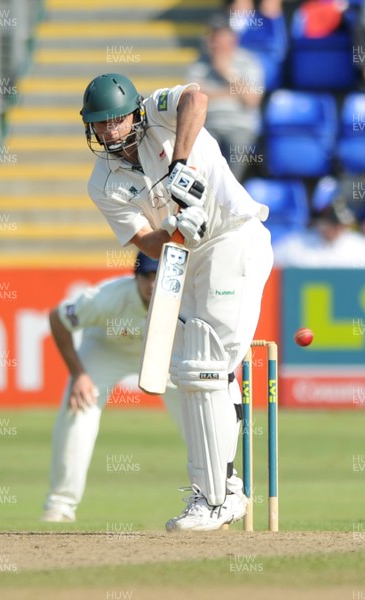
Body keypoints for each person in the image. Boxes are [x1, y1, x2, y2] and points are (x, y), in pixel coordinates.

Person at [79, 72, 273, 531]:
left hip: (234, 237)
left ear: (134, 114)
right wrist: (179, 232)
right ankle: (220, 490)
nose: (110, 131)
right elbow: (147, 243)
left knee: (207, 360)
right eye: (100, 123)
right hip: (188, 254)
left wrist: (180, 164)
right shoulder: (101, 182)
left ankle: (217, 497)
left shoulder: (161, 111)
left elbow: (196, 97)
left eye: (117, 120)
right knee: (191, 369)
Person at [41, 252, 183, 523]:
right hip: (107, 348)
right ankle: (60, 505)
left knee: (197, 408)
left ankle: (216, 496)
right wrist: (79, 374)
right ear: (136, 278)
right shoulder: (107, 297)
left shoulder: (185, 298)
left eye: (158, 276)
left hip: (163, 353)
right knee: (78, 407)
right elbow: (57, 319)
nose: (152, 283)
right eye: (147, 276)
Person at [186, 16, 265, 180]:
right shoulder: (199, 64)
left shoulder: (249, 62)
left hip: (240, 126)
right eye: (212, 38)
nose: (214, 43)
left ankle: (227, 199)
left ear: (232, 41)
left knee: (238, 150)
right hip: (207, 125)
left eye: (219, 39)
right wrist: (230, 92)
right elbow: (191, 98)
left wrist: (226, 72)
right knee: (195, 148)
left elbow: (252, 99)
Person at [273, 177, 365, 268]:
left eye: (336, 221)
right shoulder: (297, 246)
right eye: (326, 216)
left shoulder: (360, 249)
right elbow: (271, 259)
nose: (331, 226)